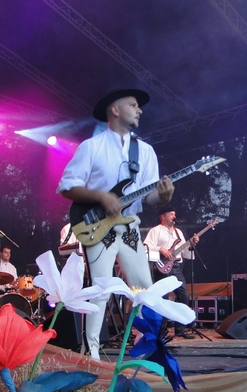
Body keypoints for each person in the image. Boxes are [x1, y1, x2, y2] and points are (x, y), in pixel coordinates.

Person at [57, 88, 174, 359]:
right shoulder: (91, 147)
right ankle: (91, 354)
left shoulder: (145, 151)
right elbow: (67, 186)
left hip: (130, 227)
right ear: (115, 110)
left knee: (145, 289)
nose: (140, 110)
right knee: (100, 289)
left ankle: (147, 350)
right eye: (133, 105)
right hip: (98, 227)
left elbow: (149, 196)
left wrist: (163, 197)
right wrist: (100, 197)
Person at [144, 205, 199, 338]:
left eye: (174, 214)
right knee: (162, 298)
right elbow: (145, 246)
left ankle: (180, 328)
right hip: (161, 267)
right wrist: (160, 249)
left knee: (184, 296)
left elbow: (184, 252)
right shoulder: (156, 230)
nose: (174, 216)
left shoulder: (178, 232)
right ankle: (161, 330)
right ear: (162, 217)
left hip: (176, 268)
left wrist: (191, 244)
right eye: (171, 214)